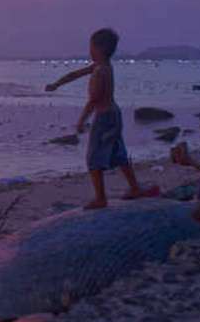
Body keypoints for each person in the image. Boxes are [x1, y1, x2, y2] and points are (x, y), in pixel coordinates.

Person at [45, 27, 145, 209]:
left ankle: (101, 198)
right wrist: (56, 84)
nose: (89, 50)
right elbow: (74, 74)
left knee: (93, 158)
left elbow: (94, 99)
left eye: (91, 47)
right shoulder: (102, 66)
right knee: (119, 153)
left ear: (98, 48)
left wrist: (81, 121)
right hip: (115, 115)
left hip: (104, 116)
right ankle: (135, 188)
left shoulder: (100, 71)